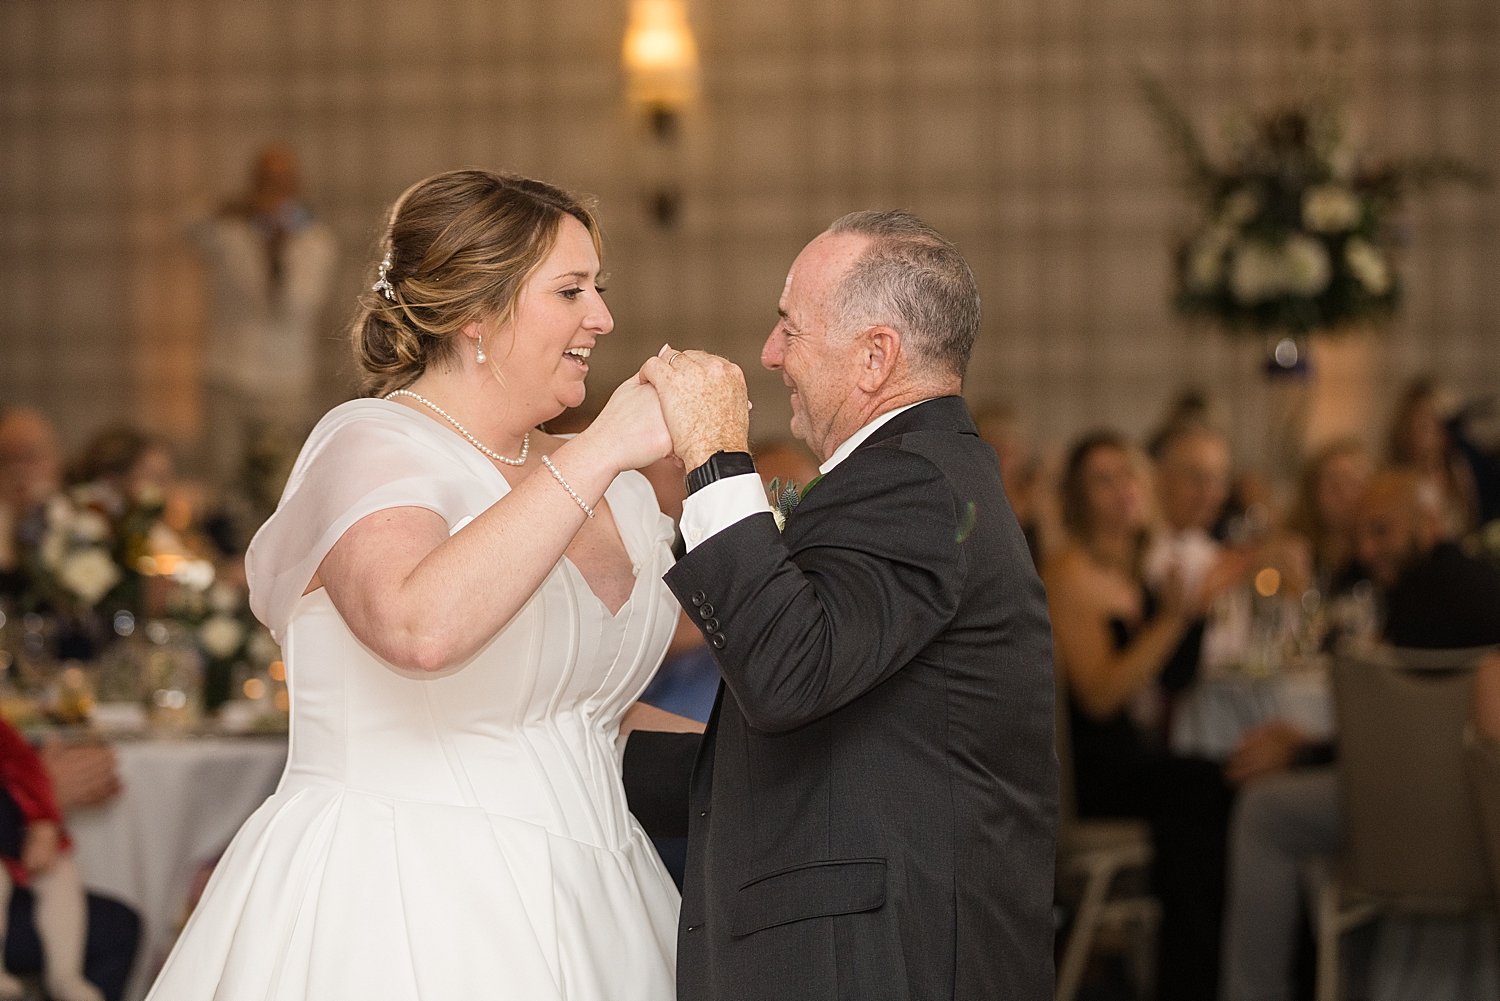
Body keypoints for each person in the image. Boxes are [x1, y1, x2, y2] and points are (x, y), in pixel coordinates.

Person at [147, 170, 700, 1000]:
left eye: (600, 288)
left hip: (603, 900)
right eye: (571, 290)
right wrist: (599, 448)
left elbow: (574, 705)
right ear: (478, 311)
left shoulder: (613, 483)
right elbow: (417, 629)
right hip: (402, 893)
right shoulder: (371, 445)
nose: (603, 318)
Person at [625, 210, 1057, 999]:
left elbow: (786, 671)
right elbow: (850, 758)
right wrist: (578, 754)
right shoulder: (918, 476)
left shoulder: (917, 482)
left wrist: (718, 462)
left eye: (790, 325)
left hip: (889, 963)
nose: (770, 352)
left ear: (874, 356)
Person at [1221, 469, 1500, 1001]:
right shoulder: (1482, 583)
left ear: (1432, 522)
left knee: (1263, 811)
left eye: (1383, 531)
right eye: (1362, 536)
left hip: (1428, 823)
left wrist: (1302, 751)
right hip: (1483, 826)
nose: (1369, 551)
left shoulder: (1419, 596)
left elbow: (1396, 750)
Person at [1043, 431, 1241, 1001]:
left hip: (1136, 757)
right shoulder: (1068, 576)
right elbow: (1101, 696)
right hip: (1096, 773)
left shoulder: (1137, 571)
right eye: (1103, 480)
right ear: (1079, 498)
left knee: (1217, 785)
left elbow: (1173, 675)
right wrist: (1172, 622)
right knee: (1210, 791)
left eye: (1128, 474)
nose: (1123, 490)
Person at [188, 144, 337, 488]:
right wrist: (233, 207)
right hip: (227, 374)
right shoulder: (230, 232)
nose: (275, 192)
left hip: (286, 381)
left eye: (282, 182)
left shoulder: (315, 241)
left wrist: (278, 251)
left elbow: (301, 306)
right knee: (223, 479)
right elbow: (187, 225)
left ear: (296, 187)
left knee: (280, 481)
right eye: (267, 181)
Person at [0, 724, 137, 1001]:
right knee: (114, 929)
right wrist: (37, 801)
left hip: (22, 854)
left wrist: (40, 811)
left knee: (66, 877)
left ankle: (66, 978)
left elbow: (22, 765)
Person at [1283, 438, 1373, 593]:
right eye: (1336, 484)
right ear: (1312, 492)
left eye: (1355, 483)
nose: (1347, 494)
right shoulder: (1295, 552)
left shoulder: (1377, 563)